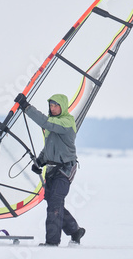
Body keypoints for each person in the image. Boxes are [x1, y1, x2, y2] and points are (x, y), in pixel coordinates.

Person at [15, 93, 85, 246]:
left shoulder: (67, 122)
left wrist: (27, 108)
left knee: (55, 202)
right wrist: (40, 161)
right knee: (54, 202)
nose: (53, 108)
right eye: (51, 106)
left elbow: (47, 123)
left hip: (66, 169)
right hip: (52, 169)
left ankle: (52, 243)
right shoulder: (52, 124)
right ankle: (75, 230)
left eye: (56, 106)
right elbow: (49, 147)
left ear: (63, 107)